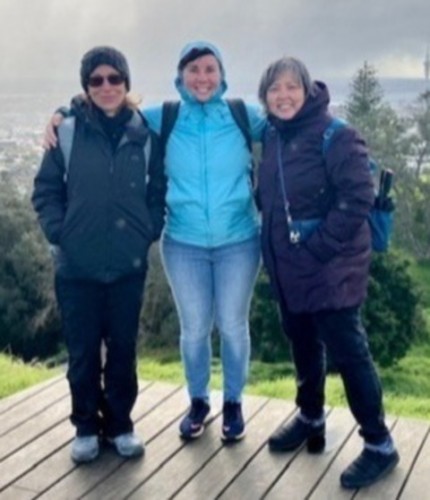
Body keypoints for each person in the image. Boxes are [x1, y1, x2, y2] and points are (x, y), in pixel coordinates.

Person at [43, 41, 265, 443]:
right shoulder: (163, 116)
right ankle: (198, 401)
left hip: (238, 240)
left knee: (233, 326)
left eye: (210, 69)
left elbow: (291, 119)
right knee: (194, 329)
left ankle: (233, 403)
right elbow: (107, 109)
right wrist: (63, 112)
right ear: (180, 77)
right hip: (184, 242)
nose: (202, 78)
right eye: (193, 70)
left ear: (222, 74)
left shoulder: (242, 115)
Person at [256, 56, 399, 489]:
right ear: (265, 96)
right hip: (289, 267)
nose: (283, 96)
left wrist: (317, 249)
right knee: (303, 344)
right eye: (274, 89)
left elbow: (357, 200)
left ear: (307, 90)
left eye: (290, 87)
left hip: (330, 268)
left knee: (349, 354)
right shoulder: (272, 134)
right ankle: (310, 416)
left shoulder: (337, 136)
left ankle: (379, 445)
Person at [32, 46, 166, 463]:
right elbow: (46, 192)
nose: (106, 86)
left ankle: (121, 425)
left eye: (114, 78)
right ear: (85, 87)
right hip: (76, 267)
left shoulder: (146, 133)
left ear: (126, 83)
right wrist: (61, 234)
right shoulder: (67, 131)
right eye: (96, 80)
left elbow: (158, 191)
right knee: (84, 352)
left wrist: (148, 231)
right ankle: (87, 426)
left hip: (127, 265)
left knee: (123, 349)